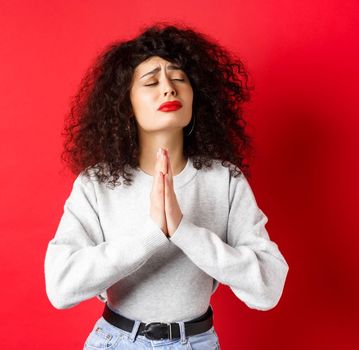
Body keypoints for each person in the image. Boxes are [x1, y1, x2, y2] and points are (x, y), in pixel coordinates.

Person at [43, 22, 289, 349]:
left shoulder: (225, 180)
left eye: (178, 78)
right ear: (124, 102)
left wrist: (184, 231)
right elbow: (60, 288)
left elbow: (268, 288)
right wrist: (151, 235)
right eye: (151, 81)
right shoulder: (96, 184)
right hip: (115, 342)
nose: (168, 89)